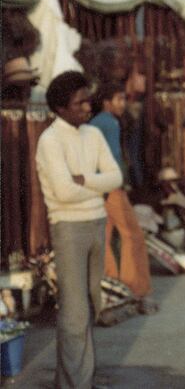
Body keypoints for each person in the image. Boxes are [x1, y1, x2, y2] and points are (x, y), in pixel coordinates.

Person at [36, 71, 123, 389]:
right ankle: (77, 384)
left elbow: (116, 178)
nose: (88, 107)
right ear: (60, 108)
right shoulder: (50, 140)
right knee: (74, 312)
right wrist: (95, 184)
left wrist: (84, 180)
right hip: (69, 227)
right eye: (80, 102)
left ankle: (72, 381)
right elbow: (63, 192)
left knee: (90, 304)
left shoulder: (93, 134)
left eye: (88, 100)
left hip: (96, 221)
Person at [90, 82, 158, 315]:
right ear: (107, 102)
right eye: (118, 99)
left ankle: (110, 288)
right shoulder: (110, 122)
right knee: (133, 236)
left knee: (106, 237)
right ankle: (136, 289)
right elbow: (115, 158)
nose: (123, 104)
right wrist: (122, 182)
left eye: (123, 99)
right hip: (112, 187)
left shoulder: (95, 122)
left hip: (97, 189)